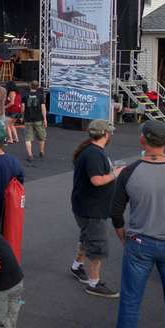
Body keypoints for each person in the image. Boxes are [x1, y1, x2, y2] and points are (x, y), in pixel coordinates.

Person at [111, 121, 165, 328]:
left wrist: (123, 236)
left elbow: (115, 212)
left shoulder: (129, 172)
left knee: (130, 302)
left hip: (139, 242)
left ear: (143, 140)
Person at [69, 119, 119, 298]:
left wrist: (112, 171)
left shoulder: (91, 151)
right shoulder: (94, 154)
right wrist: (115, 173)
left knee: (86, 237)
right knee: (97, 245)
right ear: (105, 134)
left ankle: (77, 266)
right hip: (91, 209)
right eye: (109, 132)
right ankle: (94, 283)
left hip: (85, 205)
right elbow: (97, 180)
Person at [21, 80, 47, 164]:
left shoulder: (25, 95)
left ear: (30, 86)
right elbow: (43, 108)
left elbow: (22, 108)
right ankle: (42, 151)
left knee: (28, 138)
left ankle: (30, 154)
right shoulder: (40, 96)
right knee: (41, 136)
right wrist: (45, 119)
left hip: (28, 119)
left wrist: (22, 116)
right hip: (38, 119)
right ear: (38, 86)